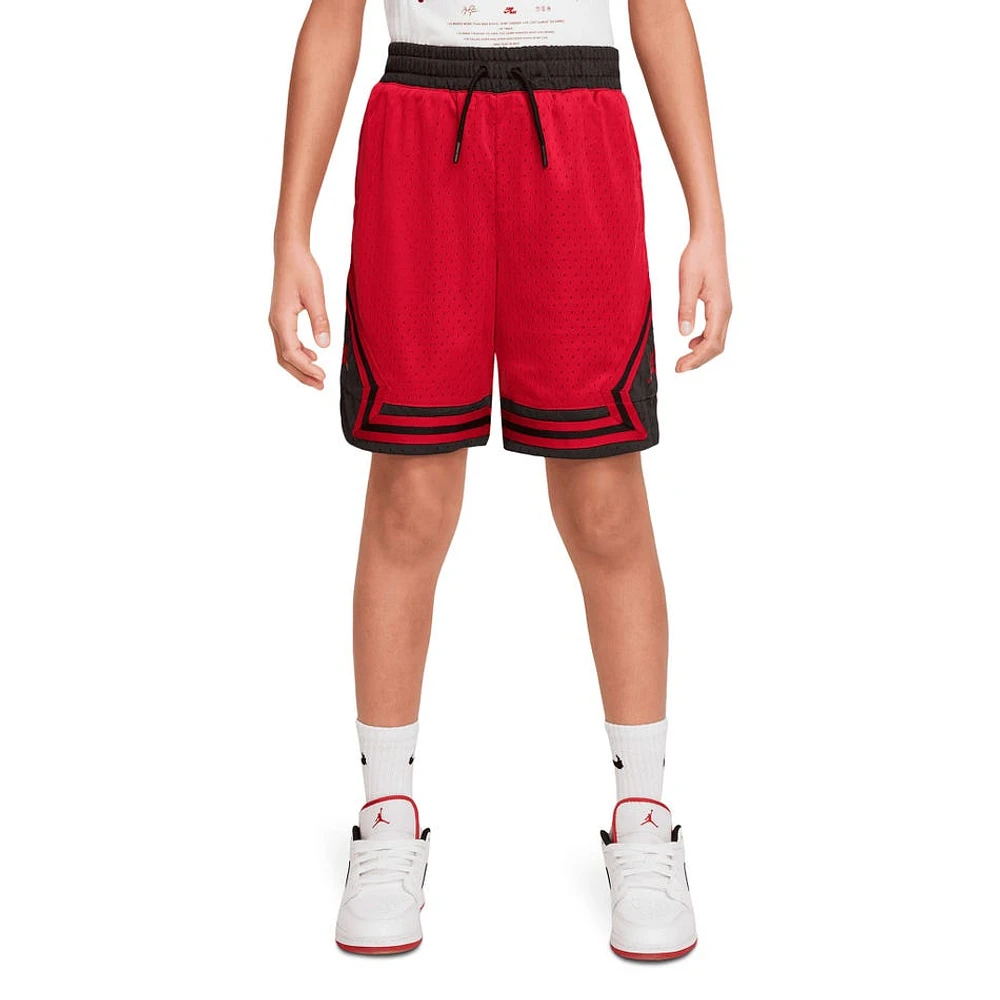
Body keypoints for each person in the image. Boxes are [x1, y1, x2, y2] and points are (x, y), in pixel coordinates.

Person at [269, 0, 731, 961]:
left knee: (603, 500)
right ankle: (386, 815)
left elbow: (659, 12)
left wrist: (709, 221)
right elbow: (332, 19)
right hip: (419, 124)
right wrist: (289, 235)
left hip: (576, 124)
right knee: (410, 497)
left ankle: (644, 818)